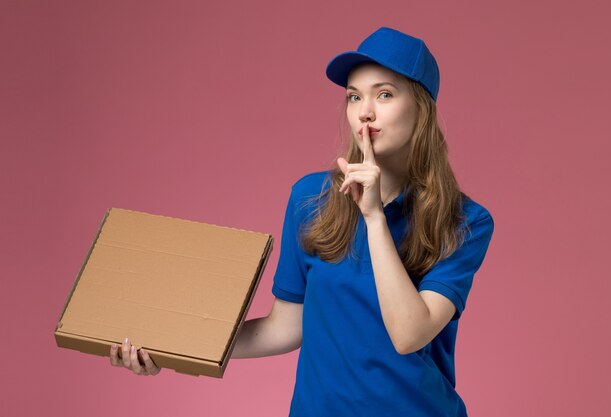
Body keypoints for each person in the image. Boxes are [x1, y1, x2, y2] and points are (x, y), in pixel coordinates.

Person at [110, 26, 495, 417]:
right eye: (353, 96)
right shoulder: (311, 199)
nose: (364, 111)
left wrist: (374, 217)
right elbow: (286, 327)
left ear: (421, 108)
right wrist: (173, 346)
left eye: (384, 94)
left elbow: (409, 334)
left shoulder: (466, 222)